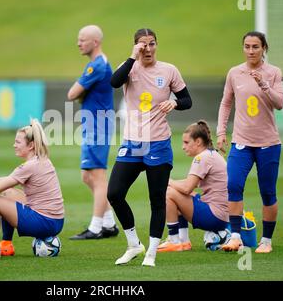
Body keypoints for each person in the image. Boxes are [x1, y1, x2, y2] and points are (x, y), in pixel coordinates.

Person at [108, 28, 192, 266]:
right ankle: (134, 244)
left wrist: (174, 103)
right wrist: (132, 57)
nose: (148, 49)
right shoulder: (129, 67)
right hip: (132, 143)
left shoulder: (168, 70)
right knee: (114, 193)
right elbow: (114, 82)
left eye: (152, 44)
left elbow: (187, 100)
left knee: (157, 199)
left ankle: (152, 252)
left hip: (158, 143)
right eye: (142, 45)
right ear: (136, 46)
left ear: (157, 45)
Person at [217, 31, 283, 253]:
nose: (251, 51)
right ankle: (235, 236)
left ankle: (266, 241)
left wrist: (265, 85)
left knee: (267, 191)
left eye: (255, 47)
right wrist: (221, 132)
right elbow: (226, 103)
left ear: (264, 48)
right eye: (247, 46)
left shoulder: (273, 73)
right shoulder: (235, 73)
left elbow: (280, 103)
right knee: (233, 185)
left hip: (268, 143)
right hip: (241, 142)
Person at [0, 119, 65, 258]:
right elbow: (7, 180)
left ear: (30, 145)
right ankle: (6, 245)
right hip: (56, 222)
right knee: (9, 192)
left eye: (18, 142)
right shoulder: (42, 159)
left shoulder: (29, 166)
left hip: (44, 223)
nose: (14, 145)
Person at [67, 25, 118, 240]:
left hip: (98, 126)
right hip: (94, 124)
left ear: (95, 42)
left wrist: (81, 92)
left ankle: (96, 228)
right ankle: (109, 224)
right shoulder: (97, 64)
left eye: (82, 39)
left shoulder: (96, 66)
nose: (79, 43)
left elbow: (72, 94)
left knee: (97, 177)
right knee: (87, 176)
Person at [156, 121, 229, 253]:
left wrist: (167, 181)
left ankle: (174, 240)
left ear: (198, 142)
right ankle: (183, 241)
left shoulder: (202, 158)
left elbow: (187, 188)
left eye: (186, 142)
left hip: (215, 217)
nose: (183, 147)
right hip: (222, 216)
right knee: (178, 192)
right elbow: (190, 185)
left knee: (169, 193)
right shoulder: (211, 154)